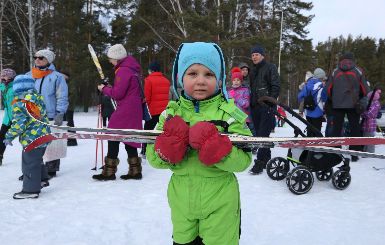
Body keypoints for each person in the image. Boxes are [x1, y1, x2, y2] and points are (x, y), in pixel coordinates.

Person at [146, 42, 252, 245]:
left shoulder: (230, 114)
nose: (201, 81)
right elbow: (152, 157)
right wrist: (164, 150)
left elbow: (244, 160)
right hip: (181, 200)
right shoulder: (170, 114)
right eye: (193, 73)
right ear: (180, 77)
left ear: (219, 79)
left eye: (209, 74)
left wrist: (220, 151)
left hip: (220, 201)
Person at [93, 44, 143, 181]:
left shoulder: (123, 70)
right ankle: (135, 170)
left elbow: (118, 94)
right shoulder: (131, 68)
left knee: (113, 135)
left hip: (126, 108)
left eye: (110, 58)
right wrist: (109, 87)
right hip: (133, 108)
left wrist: (103, 89)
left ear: (116, 57)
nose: (110, 61)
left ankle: (109, 172)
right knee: (129, 137)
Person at [3, 75, 51, 199]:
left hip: (32, 139)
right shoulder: (37, 98)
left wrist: (8, 136)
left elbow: (19, 124)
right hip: (44, 135)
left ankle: (30, 190)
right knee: (37, 160)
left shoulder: (20, 102)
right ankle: (42, 180)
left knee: (29, 163)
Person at [28, 49, 69, 178]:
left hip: (50, 114)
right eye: (36, 57)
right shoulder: (29, 75)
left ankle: (51, 168)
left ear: (48, 60)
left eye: (41, 58)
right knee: (33, 143)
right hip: (32, 115)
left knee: (52, 142)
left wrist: (60, 112)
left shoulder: (57, 77)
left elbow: (62, 96)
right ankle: (33, 169)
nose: (37, 60)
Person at [325, 51, 370, 162]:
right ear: (353, 60)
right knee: (355, 128)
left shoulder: (335, 71)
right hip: (353, 105)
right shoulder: (358, 71)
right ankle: (354, 153)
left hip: (337, 105)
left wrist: (333, 99)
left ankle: (336, 151)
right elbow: (365, 90)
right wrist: (359, 98)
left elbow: (327, 89)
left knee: (336, 129)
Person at [248, 44, 280, 174]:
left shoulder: (270, 67)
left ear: (262, 56)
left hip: (266, 106)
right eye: (252, 55)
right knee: (260, 135)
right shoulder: (253, 70)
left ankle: (259, 163)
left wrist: (270, 102)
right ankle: (266, 158)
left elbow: (275, 86)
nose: (254, 57)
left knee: (262, 135)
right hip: (255, 106)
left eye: (256, 54)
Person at [141, 61, 170, 157]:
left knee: (147, 131)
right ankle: (166, 150)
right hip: (164, 111)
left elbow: (147, 98)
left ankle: (144, 151)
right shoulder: (166, 81)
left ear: (151, 70)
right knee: (163, 132)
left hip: (153, 111)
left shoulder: (148, 80)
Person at [297, 68, 327, 136]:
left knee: (309, 130)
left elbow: (300, 97)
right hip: (318, 112)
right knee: (317, 131)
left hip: (308, 112)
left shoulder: (307, 84)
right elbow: (324, 98)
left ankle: (309, 144)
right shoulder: (321, 85)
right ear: (321, 77)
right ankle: (315, 145)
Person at [0, 68, 16, 166]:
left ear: (10, 77)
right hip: (7, 118)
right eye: (2, 75)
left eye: (4, 75)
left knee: (24, 139)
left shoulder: (15, 87)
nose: (2, 76)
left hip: (17, 117)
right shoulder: (3, 86)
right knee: (1, 137)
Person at [62, 72, 78, 146]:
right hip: (63, 107)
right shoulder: (62, 83)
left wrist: (65, 102)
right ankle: (67, 138)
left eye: (63, 75)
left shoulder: (71, 84)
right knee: (64, 123)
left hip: (69, 107)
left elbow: (72, 95)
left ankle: (72, 140)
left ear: (67, 76)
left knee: (70, 123)